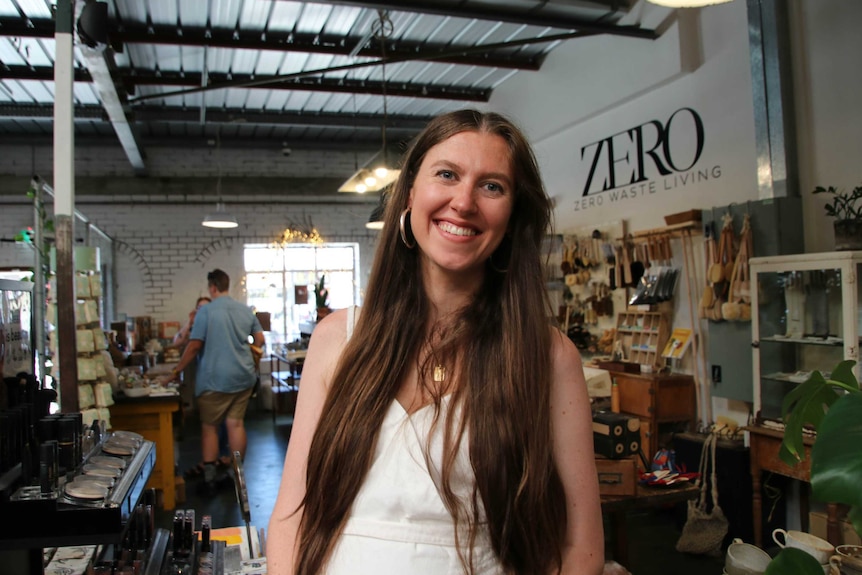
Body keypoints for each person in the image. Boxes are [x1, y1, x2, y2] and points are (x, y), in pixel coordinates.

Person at [267, 110, 603, 575]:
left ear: (512, 215)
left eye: (492, 186)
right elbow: (291, 516)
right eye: (446, 174)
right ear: (410, 195)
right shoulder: (337, 340)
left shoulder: (547, 356)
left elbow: (580, 544)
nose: (463, 202)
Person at [169, 269, 265, 496]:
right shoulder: (245, 310)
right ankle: (237, 475)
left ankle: (210, 479)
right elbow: (260, 340)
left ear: (212, 286)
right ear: (227, 285)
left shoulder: (206, 312)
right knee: (236, 424)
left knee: (210, 428)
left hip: (214, 379)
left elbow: (193, 347)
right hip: (243, 377)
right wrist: (253, 362)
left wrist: (176, 371)